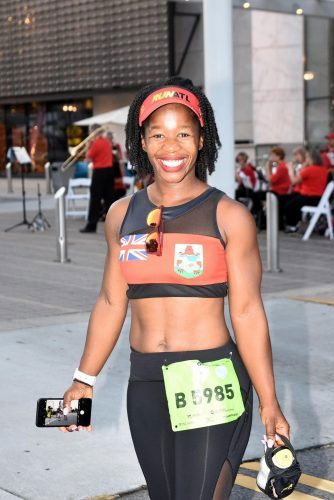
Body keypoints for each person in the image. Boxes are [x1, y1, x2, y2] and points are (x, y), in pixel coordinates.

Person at [60, 77, 290, 499]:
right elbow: (112, 301)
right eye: (158, 135)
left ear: (202, 140)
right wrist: (83, 378)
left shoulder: (228, 216)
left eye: (184, 133)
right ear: (141, 142)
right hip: (145, 382)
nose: (172, 147)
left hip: (210, 378)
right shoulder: (120, 214)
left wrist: (269, 400)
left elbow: (247, 313)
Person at [79, 124, 115, 233]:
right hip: (109, 171)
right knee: (109, 199)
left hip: (99, 172)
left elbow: (87, 159)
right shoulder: (106, 142)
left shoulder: (95, 143)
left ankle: (91, 225)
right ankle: (115, 225)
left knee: (95, 199)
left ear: (93, 132)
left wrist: (88, 146)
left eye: (90, 132)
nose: (89, 134)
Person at [284, 149, 328, 233]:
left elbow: (294, 181)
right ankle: (296, 224)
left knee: (289, 205)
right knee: (291, 200)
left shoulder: (310, 169)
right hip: (319, 198)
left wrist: (290, 169)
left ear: (311, 159)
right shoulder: (323, 169)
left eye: (307, 158)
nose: (306, 159)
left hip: (309, 197)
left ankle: (292, 226)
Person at [266, 147, 291, 230]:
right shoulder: (281, 166)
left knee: (259, 195)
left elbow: (270, 180)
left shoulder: (282, 167)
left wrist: (268, 168)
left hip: (280, 191)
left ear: (279, 156)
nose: (271, 158)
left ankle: (264, 221)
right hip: (278, 190)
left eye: (273, 156)